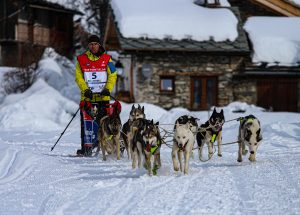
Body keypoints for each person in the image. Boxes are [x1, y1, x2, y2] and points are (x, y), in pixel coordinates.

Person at [75, 34, 117, 156]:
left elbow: (113, 74)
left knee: (104, 123)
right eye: (91, 44)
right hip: (87, 97)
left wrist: (108, 88)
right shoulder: (81, 59)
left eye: (95, 44)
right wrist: (85, 89)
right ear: (88, 46)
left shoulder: (108, 59)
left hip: (103, 97)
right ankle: (86, 148)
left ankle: (107, 147)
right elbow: (78, 77)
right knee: (86, 125)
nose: (93, 46)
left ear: (99, 45)